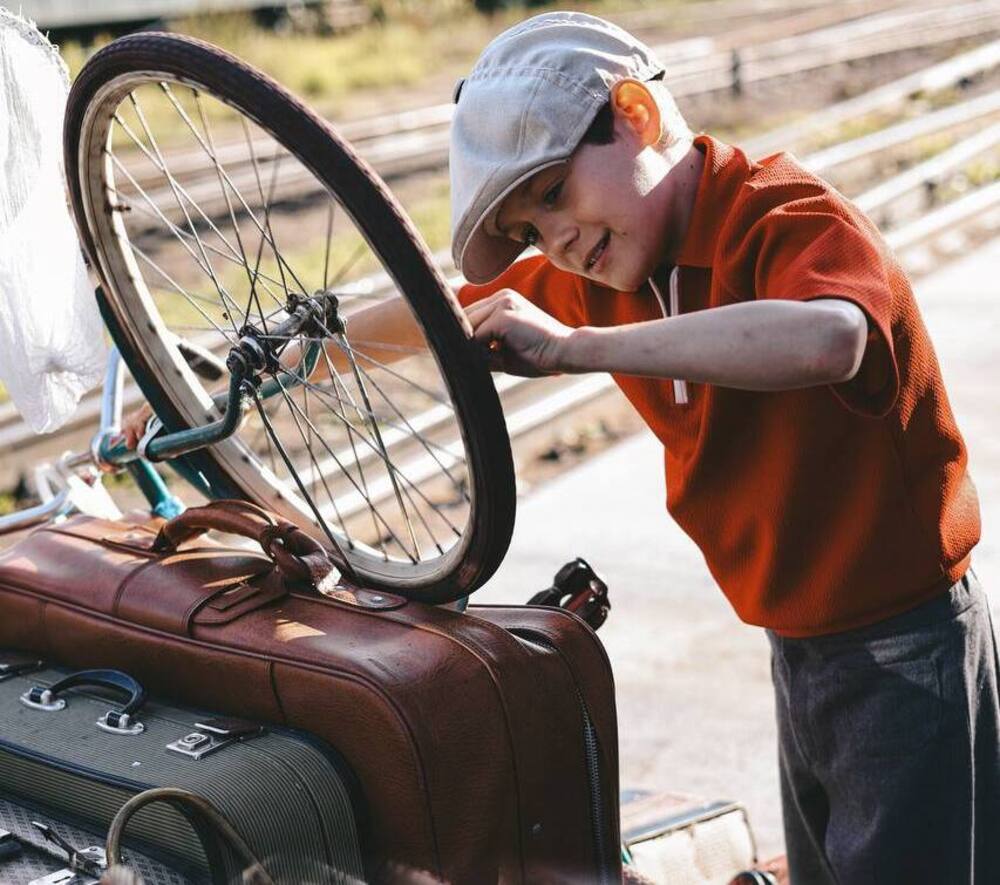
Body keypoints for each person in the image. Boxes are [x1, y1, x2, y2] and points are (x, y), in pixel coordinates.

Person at [121, 11, 998, 883]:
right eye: (533, 232)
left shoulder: (779, 214)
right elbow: (434, 308)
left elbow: (828, 340)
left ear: (636, 116)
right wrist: (232, 370)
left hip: (902, 648)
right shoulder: (618, 267)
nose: (558, 241)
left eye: (552, 194)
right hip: (798, 641)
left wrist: (579, 350)